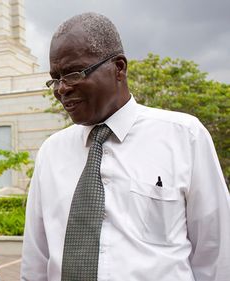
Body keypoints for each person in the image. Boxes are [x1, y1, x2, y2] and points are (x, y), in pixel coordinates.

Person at [21, 12, 230, 281]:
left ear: (119, 67)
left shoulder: (184, 136)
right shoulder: (51, 152)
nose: (61, 89)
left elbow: (217, 254)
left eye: (73, 74)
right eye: (55, 78)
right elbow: (36, 262)